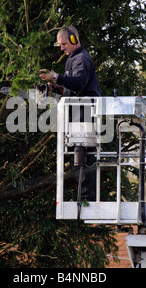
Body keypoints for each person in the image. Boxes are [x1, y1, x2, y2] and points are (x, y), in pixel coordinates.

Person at [39, 26, 100, 201]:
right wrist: (55, 87)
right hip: (78, 115)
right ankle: (85, 197)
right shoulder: (72, 60)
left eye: (64, 44)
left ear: (74, 39)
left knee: (82, 157)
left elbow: (79, 83)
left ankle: (87, 199)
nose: (62, 48)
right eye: (60, 45)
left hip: (84, 115)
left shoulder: (81, 59)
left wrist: (55, 77)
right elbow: (72, 87)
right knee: (76, 158)